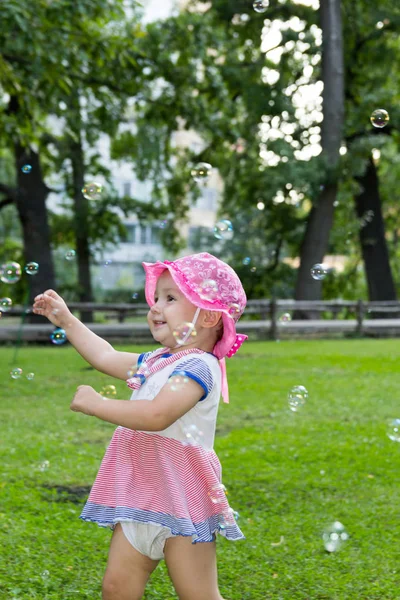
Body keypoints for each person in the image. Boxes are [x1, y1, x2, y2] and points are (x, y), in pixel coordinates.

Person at [33, 252, 248, 600]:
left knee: (198, 595)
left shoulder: (200, 366)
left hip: (183, 500)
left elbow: (156, 415)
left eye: (170, 298)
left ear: (208, 315)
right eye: (156, 298)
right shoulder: (157, 360)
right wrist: (67, 320)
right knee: (116, 589)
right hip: (141, 495)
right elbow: (104, 355)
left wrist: (97, 405)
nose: (155, 307)